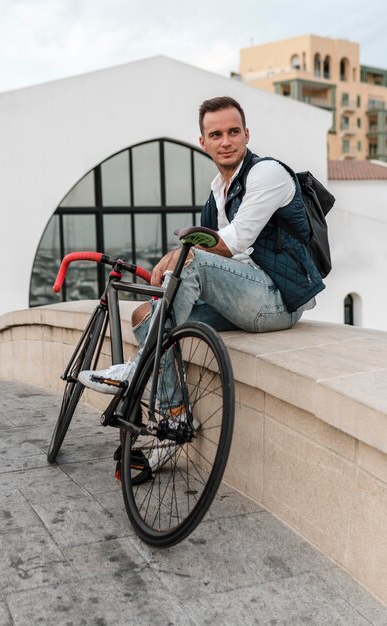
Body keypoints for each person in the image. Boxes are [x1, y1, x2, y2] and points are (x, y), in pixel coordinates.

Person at [79, 96, 325, 453]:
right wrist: (173, 274)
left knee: (191, 259)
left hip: (277, 300)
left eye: (233, 132)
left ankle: (135, 368)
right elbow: (204, 252)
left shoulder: (266, 173)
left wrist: (181, 253)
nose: (226, 141)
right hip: (240, 300)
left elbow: (231, 241)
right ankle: (175, 418)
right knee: (145, 315)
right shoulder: (217, 189)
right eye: (216, 134)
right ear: (203, 142)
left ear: (246, 134)